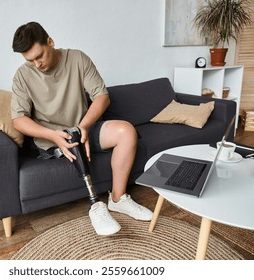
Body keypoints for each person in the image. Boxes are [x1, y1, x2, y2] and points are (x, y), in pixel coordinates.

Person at [11, 22, 153, 235]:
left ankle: (118, 198)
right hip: (53, 138)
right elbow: (18, 119)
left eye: (39, 56)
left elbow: (102, 97)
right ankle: (96, 205)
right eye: (29, 60)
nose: (37, 64)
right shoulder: (22, 76)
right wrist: (52, 135)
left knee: (126, 131)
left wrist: (83, 126)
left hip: (85, 126)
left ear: (50, 42)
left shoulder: (77, 58)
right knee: (70, 141)